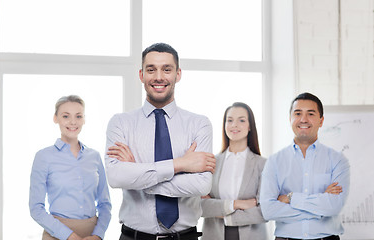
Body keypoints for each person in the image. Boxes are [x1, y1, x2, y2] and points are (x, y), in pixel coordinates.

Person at [104, 43, 216, 240]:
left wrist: (138, 175)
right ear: (141, 75)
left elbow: (201, 185)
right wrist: (181, 164)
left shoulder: (199, 124)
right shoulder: (120, 123)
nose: (158, 77)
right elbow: (116, 178)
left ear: (178, 74)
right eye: (151, 69)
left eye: (166, 69)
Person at [260, 92, 350, 240]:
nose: (303, 119)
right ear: (290, 119)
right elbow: (268, 210)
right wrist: (320, 204)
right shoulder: (274, 161)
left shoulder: (338, 160)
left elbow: (334, 206)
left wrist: (290, 198)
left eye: (310, 114)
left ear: (321, 121)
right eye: (298, 113)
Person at [29, 95, 112, 240]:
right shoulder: (43, 157)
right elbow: (36, 208)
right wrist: (68, 236)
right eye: (66, 116)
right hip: (56, 234)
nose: (73, 122)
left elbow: (105, 204)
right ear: (56, 118)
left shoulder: (94, 156)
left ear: (84, 119)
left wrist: (98, 235)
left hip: (91, 235)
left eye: (78, 116)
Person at [201, 102, 267, 240]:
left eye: (241, 120)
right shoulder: (210, 162)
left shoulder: (263, 164)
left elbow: (265, 210)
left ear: (250, 126)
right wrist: (237, 204)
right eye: (229, 120)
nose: (234, 125)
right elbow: (200, 206)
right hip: (214, 235)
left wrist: (224, 214)